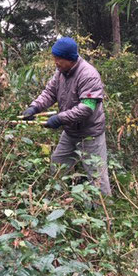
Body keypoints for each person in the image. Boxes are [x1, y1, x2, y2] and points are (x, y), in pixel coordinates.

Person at [22, 37, 111, 196]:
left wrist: (59, 119)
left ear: (71, 59)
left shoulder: (88, 75)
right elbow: (49, 93)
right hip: (70, 132)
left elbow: (87, 108)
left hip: (90, 135)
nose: (55, 62)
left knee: (98, 178)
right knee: (58, 167)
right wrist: (34, 107)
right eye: (54, 58)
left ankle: (105, 216)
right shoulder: (61, 72)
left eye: (59, 59)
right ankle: (59, 203)